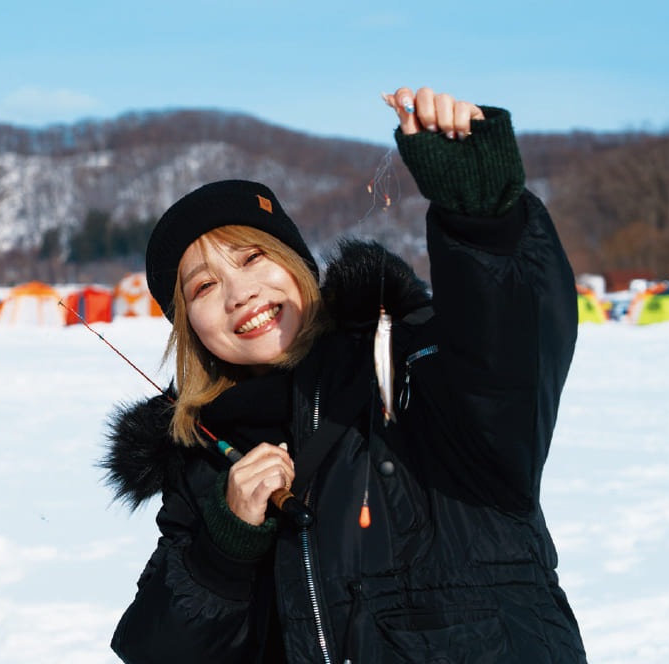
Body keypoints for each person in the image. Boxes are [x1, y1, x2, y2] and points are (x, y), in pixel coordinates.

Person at [103, 87, 587, 663]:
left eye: (252, 257)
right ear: (190, 327)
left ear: (296, 264)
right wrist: (225, 546)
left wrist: (486, 225)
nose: (240, 293)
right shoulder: (203, 459)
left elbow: (509, 361)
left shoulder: (411, 361)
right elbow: (158, 650)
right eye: (204, 286)